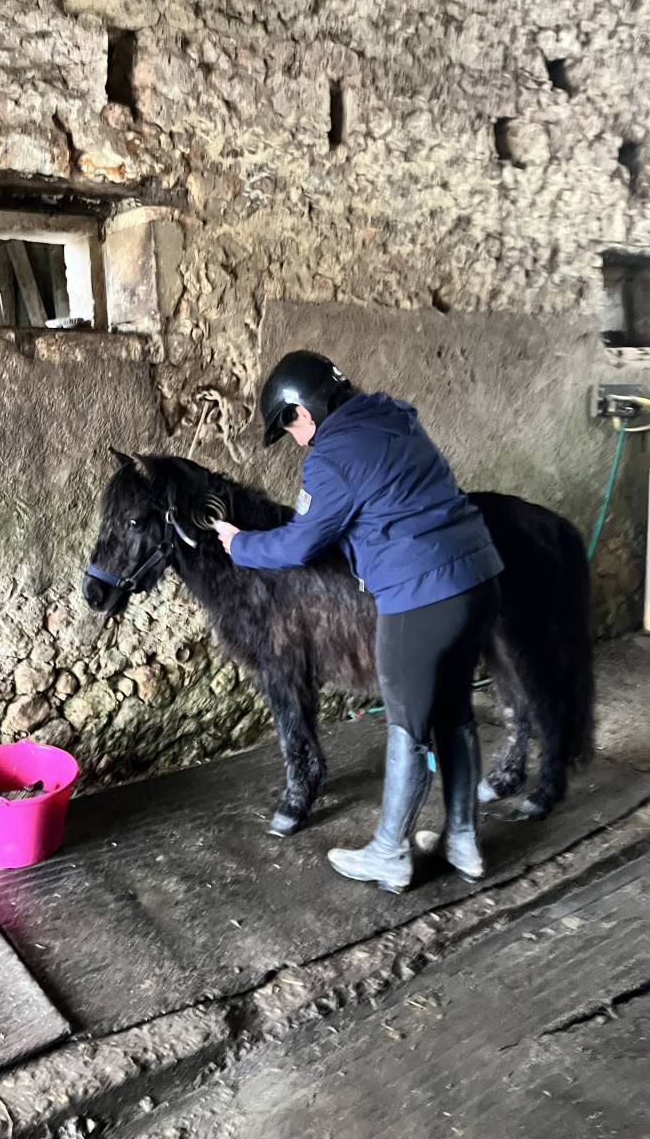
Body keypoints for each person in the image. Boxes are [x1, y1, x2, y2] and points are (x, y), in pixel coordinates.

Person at [212, 351, 503, 894]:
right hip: (480, 578)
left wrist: (240, 543)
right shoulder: (395, 416)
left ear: (304, 409)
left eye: (290, 426)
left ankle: (391, 853)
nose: (297, 439)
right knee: (455, 714)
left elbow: (301, 542)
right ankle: (463, 841)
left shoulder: (330, 457)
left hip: (421, 597)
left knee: (408, 725)